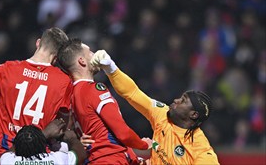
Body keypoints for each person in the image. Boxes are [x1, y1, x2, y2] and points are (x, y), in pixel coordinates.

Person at [91, 50, 220, 164]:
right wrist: (111, 69)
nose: (176, 100)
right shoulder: (162, 114)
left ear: (193, 114)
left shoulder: (201, 149)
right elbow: (133, 93)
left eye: (183, 101)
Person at [0, 27, 73, 155]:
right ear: (56, 58)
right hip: (39, 157)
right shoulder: (64, 82)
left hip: (6, 154)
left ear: (38, 43)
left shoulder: (4, 70)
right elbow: (61, 127)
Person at [57, 38, 151, 164]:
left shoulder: (70, 95)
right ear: (82, 61)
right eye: (90, 52)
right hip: (109, 159)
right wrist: (144, 145)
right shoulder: (93, 90)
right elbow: (122, 132)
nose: (94, 54)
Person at [0, 118, 87, 165]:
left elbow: (7, 153)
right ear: (43, 144)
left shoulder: (8, 161)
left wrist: (44, 134)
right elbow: (81, 154)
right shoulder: (57, 160)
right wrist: (71, 138)